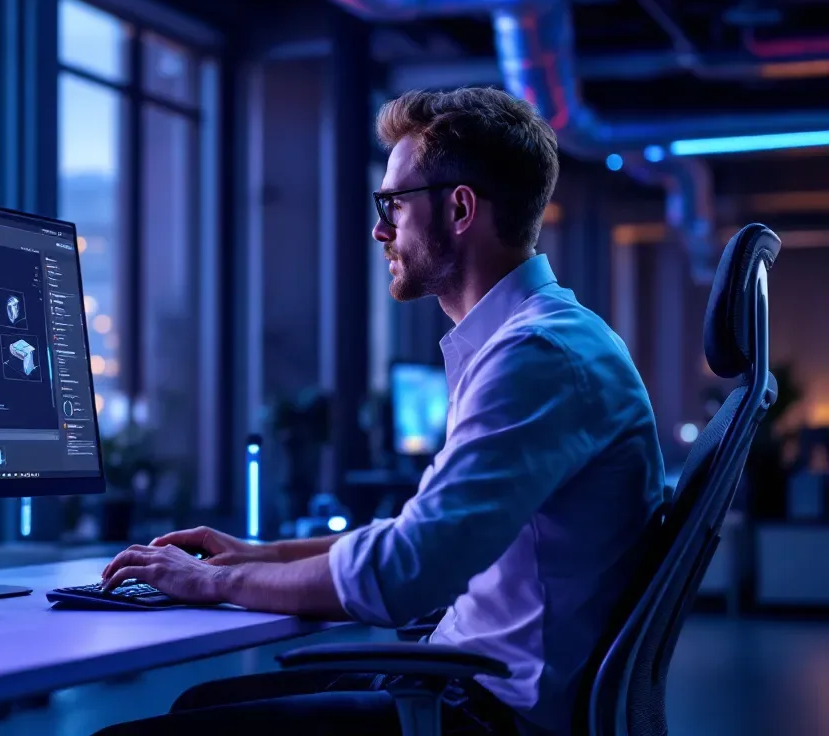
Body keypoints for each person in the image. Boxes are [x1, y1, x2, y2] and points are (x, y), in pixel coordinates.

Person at [93, 87, 666, 736]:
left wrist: (212, 584)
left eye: (394, 203)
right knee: (198, 707)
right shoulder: (548, 340)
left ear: (458, 208)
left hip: (487, 713)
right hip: (461, 678)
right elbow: (422, 535)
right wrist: (262, 555)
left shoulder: (538, 356)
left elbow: (407, 573)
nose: (380, 229)